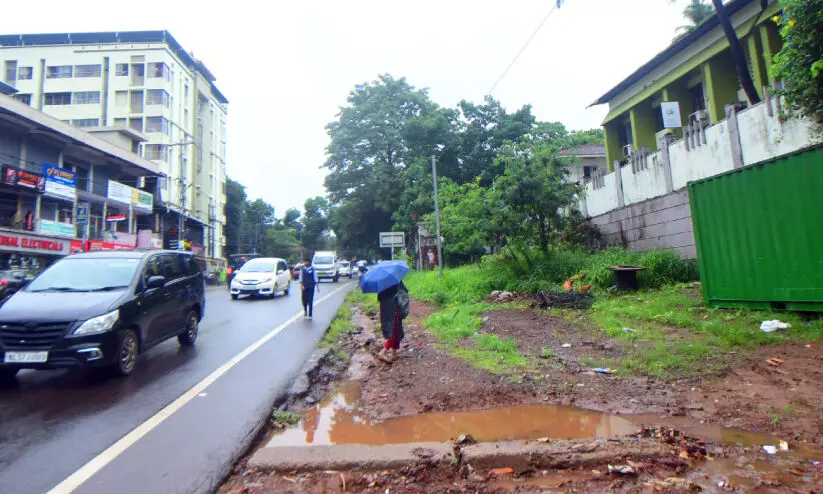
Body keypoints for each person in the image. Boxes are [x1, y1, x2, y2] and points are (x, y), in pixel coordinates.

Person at [376, 281, 406, 363]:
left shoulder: (381, 283)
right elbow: (403, 292)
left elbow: (379, 298)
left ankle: (393, 354)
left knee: (396, 329)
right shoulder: (395, 281)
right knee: (395, 331)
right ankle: (383, 352)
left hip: (385, 309)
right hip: (393, 309)